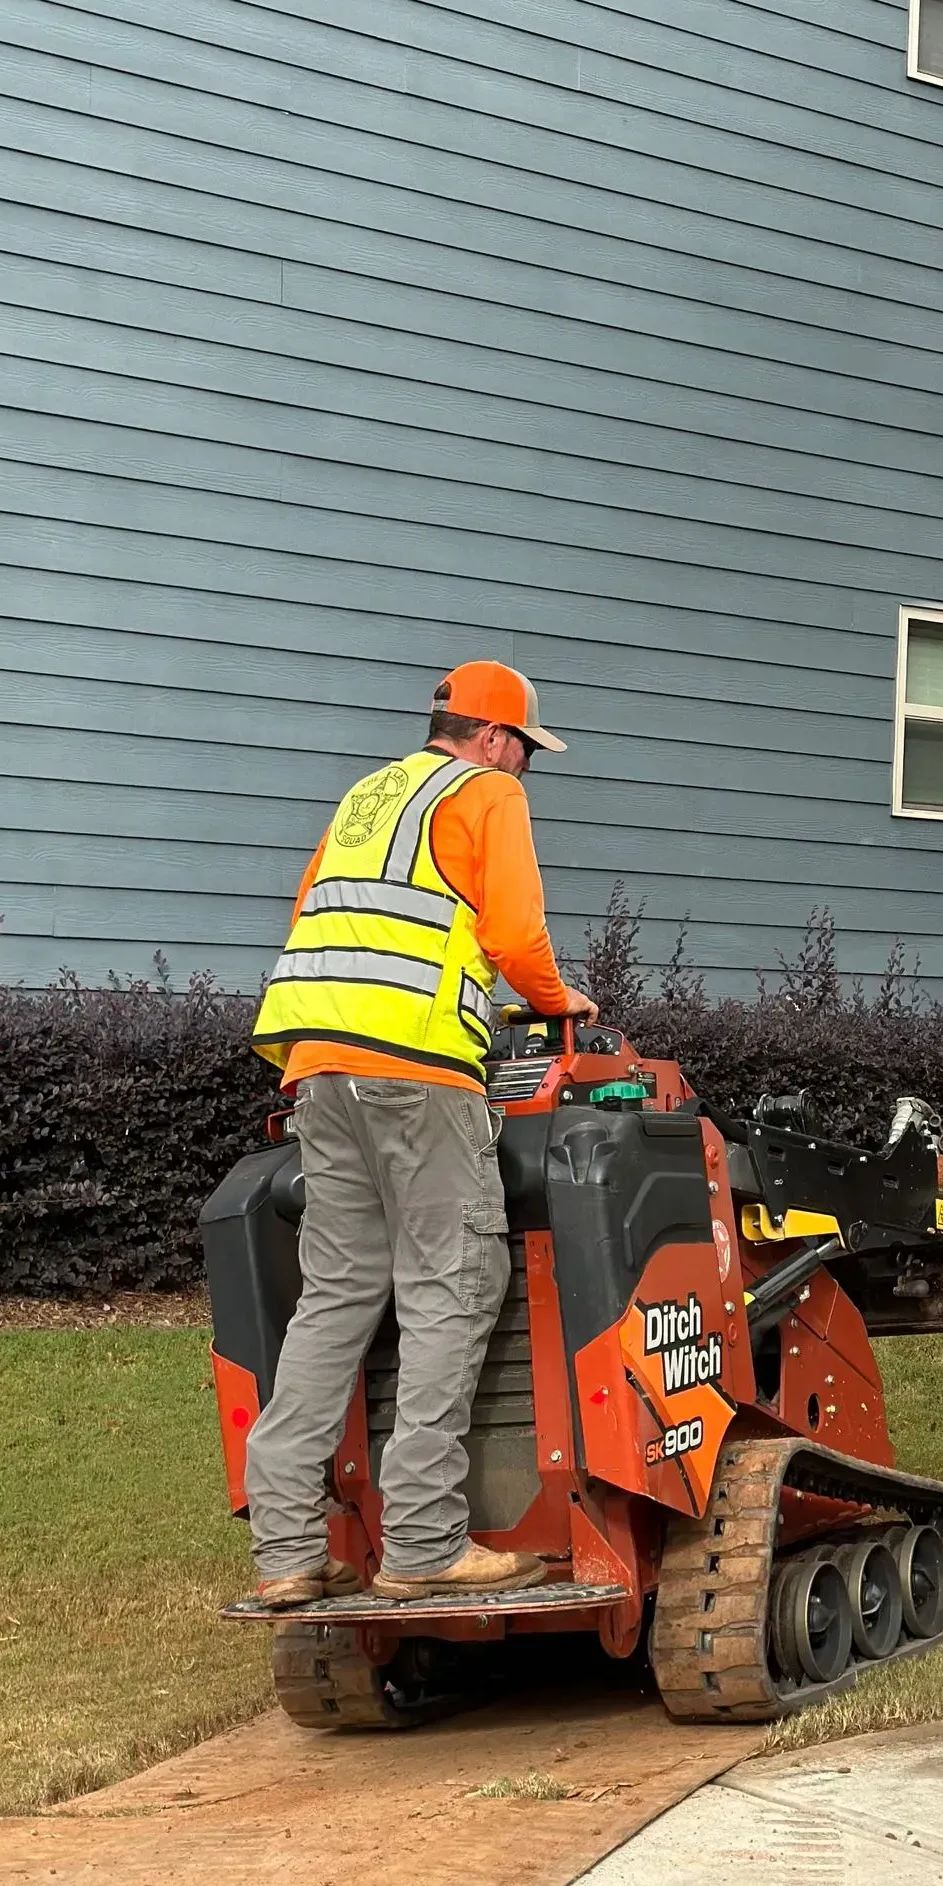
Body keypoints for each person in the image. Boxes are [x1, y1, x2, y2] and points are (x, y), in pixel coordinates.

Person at [243, 661, 598, 1606]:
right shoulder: (486, 793)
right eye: (525, 750)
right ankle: (426, 1541)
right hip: (417, 1067)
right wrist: (562, 1005)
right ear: (491, 737)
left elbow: (310, 916)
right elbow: (517, 937)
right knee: (455, 1278)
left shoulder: (369, 794)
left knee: (339, 1293)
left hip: (320, 1065)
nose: (525, 769)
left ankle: (286, 1551)